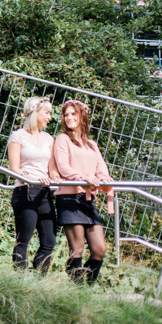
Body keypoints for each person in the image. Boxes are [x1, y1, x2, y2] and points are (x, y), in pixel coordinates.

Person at [50, 99, 114, 285]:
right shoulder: (63, 139)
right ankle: (76, 291)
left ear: (82, 116)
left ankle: (86, 286)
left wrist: (106, 179)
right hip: (69, 198)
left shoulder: (91, 144)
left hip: (87, 200)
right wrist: (84, 176)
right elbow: (63, 167)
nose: (69, 118)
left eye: (73, 114)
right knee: (77, 248)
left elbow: (101, 169)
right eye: (66, 115)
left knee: (99, 249)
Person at [7, 96, 56, 272]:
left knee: (49, 240)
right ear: (34, 113)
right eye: (47, 113)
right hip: (25, 190)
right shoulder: (18, 135)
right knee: (24, 239)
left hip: (44, 192)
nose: (50, 117)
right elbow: (14, 168)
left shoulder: (49, 138)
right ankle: (20, 280)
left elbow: (53, 169)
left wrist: (54, 177)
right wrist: (26, 175)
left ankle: (39, 280)